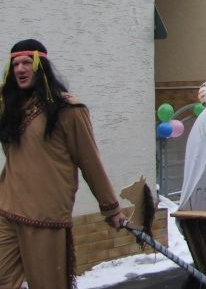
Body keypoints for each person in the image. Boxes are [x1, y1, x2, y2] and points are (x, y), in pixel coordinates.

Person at [0, 39, 127, 288]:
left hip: (45, 216)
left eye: (27, 62)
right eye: (15, 64)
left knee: (48, 284)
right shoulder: (10, 109)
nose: (20, 69)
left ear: (41, 67)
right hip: (6, 209)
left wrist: (111, 208)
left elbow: (90, 162)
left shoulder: (67, 110)